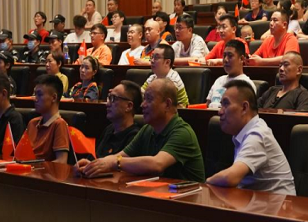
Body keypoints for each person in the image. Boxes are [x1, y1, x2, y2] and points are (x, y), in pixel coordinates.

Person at [77, 77, 205, 181]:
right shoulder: (147, 130)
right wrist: (94, 165)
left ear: (167, 104)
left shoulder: (183, 132)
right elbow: (119, 156)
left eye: (149, 99)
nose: (143, 105)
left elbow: (157, 164)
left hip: (186, 201)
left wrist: (114, 163)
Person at [206, 81, 297, 195]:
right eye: (221, 105)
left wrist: (206, 182)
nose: (220, 111)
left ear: (244, 107)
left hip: (279, 204)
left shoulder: (257, 135)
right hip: (261, 200)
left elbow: (230, 178)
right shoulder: (245, 132)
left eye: (226, 104)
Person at [25, 74, 71, 163]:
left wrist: (34, 167)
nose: (35, 99)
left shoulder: (59, 124)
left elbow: (61, 161)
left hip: (41, 171)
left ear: (54, 97)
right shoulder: (32, 123)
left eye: (39, 94)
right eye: (35, 94)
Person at [96, 81, 143, 158]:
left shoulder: (135, 138)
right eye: (109, 98)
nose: (107, 104)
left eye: (113, 98)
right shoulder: (109, 129)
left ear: (129, 106)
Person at [205, 40, 256, 109]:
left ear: (241, 59)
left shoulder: (246, 84)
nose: (226, 60)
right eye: (224, 56)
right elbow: (207, 105)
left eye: (230, 56)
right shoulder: (219, 80)